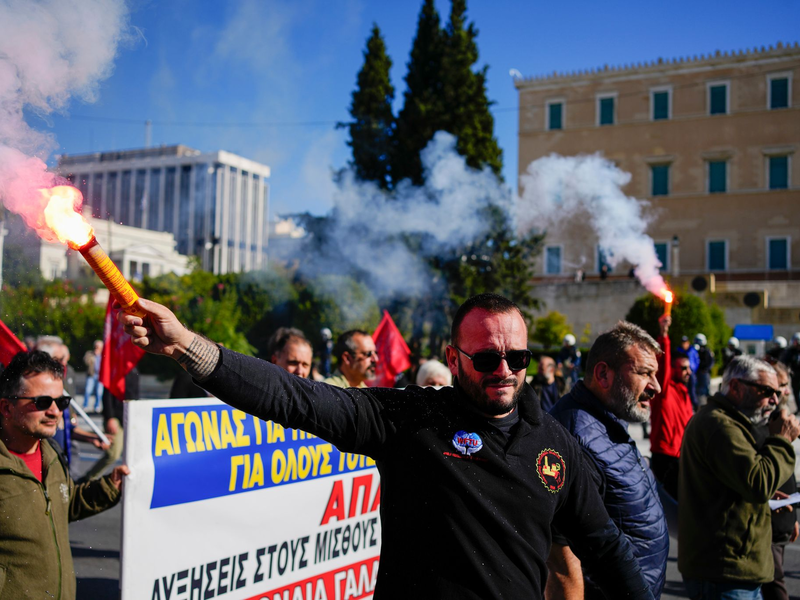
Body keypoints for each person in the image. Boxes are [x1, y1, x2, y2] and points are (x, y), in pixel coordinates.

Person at [120, 293, 654, 599]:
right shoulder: (412, 418)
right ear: (454, 358)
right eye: (487, 359)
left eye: (516, 357)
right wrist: (187, 345)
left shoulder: (556, 445)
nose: (504, 370)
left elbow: (604, 547)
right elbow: (296, 399)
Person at [548, 321, 669, 599]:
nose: (656, 387)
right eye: (645, 373)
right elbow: (562, 562)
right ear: (603, 374)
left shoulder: (608, 420)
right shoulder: (574, 437)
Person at [0, 351, 128, 599]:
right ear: (7, 407)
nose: (55, 412)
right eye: (42, 402)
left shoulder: (52, 454)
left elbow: (64, 504)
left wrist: (109, 487)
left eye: (61, 402)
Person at [678, 355, 800, 599]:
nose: (774, 400)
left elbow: (734, 484)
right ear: (735, 386)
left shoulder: (729, 422)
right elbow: (758, 483)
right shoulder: (720, 425)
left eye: (777, 392)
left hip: (734, 570)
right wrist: (782, 440)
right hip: (723, 574)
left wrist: (765, 501)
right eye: (767, 391)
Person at [757, 361, 798, 600]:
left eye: (784, 386)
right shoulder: (760, 424)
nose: (785, 392)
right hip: (766, 524)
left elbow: (786, 474)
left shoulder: (779, 421)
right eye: (781, 385)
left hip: (783, 518)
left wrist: (792, 518)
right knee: (775, 584)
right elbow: (763, 475)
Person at [649, 316, 695, 499]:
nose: (688, 372)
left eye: (688, 368)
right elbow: (662, 364)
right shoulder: (664, 390)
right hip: (664, 456)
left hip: (682, 455)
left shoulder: (684, 393)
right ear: (673, 369)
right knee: (664, 503)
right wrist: (664, 334)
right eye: (683, 368)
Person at [80, 367, 140, 482]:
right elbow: (107, 395)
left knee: (132, 454)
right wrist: (110, 417)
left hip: (130, 417)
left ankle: (129, 481)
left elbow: (135, 396)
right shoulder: (115, 369)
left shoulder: (134, 371)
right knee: (113, 454)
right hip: (115, 418)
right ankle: (89, 478)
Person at [676, 336, 700, 409]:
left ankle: (695, 405)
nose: (684, 344)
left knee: (692, 390)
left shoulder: (693, 351)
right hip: (681, 374)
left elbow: (697, 361)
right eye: (682, 342)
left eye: (685, 342)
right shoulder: (678, 350)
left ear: (688, 343)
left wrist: (692, 370)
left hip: (692, 373)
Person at [82, 339, 104, 412]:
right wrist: (94, 356)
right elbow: (86, 361)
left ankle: (96, 406)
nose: (97, 348)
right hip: (91, 375)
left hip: (100, 375)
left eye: (99, 346)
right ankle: (85, 405)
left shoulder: (104, 354)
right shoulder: (90, 353)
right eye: (96, 346)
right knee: (88, 390)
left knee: (99, 392)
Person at [694, 333, 714, 403]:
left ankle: (706, 403)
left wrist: (706, 369)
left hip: (704, 373)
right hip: (698, 372)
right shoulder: (695, 350)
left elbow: (711, 361)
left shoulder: (707, 351)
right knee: (697, 389)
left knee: (705, 389)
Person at [781, 333, 800, 403]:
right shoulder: (791, 352)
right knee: (796, 391)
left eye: (796, 341)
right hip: (795, 375)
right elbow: (784, 362)